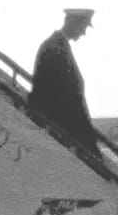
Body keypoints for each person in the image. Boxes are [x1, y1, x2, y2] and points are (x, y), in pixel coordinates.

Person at [28, 8, 100, 156]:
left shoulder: (57, 45)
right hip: (59, 125)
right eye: (83, 27)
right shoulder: (55, 48)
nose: (83, 33)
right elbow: (65, 95)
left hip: (60, 123)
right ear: (71, 22)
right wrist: (85, 133)